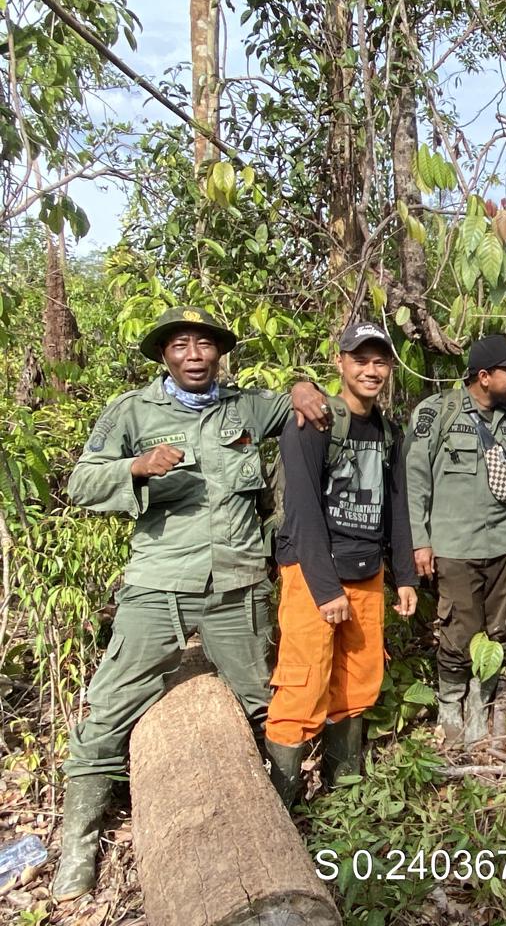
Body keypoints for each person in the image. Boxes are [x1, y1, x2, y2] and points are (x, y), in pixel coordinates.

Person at [52, 306, 329, 900]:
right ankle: (78, 844)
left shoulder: (247, 408)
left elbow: (297, 402)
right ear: (165, 356)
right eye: (182, 345)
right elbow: (81, 483)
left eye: (206, 346)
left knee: (263, 701)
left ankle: (280, 819)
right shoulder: (132, 412)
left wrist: (304, 385)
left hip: (237, 586)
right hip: (159, 586)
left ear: (220, 355)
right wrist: (135, 466)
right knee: (109, 706)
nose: (196, 355)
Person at [263, 321, 419, 803]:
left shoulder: (388, 431)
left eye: (380, 361)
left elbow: (397, 505)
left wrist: (405, 576)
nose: (371, 370)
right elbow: (304, 510)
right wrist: (326, 588)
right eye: (361, 360)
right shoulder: (313, 424)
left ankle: (342, 798)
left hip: (367, 572)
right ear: (340, 362)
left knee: (357, 684)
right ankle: (281, 807)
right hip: (313, 573)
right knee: (303, 686)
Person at [405, 334, 506, 747]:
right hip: (455, 547)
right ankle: (451, 708)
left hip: (503, 544)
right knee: (457, 633)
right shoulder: (438, 413)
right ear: (484, 377)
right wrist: (420, 542)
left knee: (500, 629)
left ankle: (481, 706)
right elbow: (415, 481)